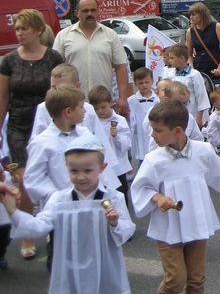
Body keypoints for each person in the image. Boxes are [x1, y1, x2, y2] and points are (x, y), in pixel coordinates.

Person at [131, 100, 220, 294]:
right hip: (169, 228)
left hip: (196, 223)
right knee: (175, 280)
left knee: (196, 280)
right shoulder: (154, 160)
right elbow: (141, 188)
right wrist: (157, 198)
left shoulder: (202, 151)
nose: (152, 135)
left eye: (157, 130)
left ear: (178, 131)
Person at [2, 135, 134, 294]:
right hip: (69, 266)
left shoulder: (112, 198)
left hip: (104, 265)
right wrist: (13, 212)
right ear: (66, 167)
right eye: (74, 170)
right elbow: (40, 226)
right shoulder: (59, 199)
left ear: (102, 167)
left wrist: (115, 223)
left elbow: (126, 231)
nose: (80, 176)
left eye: (87, 171)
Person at [23, 84, 120, 271]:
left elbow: (99, 163)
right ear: (68, 111)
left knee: (93, 258)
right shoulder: (43, 142)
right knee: (62, 262)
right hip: (61, 213)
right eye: (81, 107)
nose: (85, 111)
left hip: (90, 207)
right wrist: (57, 196)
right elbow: (33, 179)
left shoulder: (84, 134)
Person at [0, 9, 63, 259]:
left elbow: (63, 89)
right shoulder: (8, 61)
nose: (19, 33)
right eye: (17, 29)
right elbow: (3, 98)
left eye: (24, 28)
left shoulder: (54, 58)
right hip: (19, 126)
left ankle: (51, 224)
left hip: (49, 125)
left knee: (54, 177)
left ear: (38, 30)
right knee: (23, 179)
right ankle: (27, 234)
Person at [53, 0, 129, 115]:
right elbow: (56, 71)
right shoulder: (63, 36)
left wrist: (123, 98)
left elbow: (121, 68)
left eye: (93, 10)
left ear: (98, 11)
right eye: (85, 10)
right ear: (77, 13)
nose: (90, 13)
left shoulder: (111, 35)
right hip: (72, 103)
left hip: (103, 104)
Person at [88, 85, 132, 205]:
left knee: (121, 193)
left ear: (110, 103)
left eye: (103, 107)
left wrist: (116, 137)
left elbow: (127, 144)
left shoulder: (119, 120)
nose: (100, 111)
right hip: (101, 165)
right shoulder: (92, 122)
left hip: (118, 166)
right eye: (96, 108)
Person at [185, 2, 220, 89]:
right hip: (199, 70)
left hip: (215, 69)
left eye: (194, 14)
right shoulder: (190, 31)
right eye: (190, 15)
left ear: (202, 15)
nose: (191, 17)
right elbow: (188, 54)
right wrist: (191, 68)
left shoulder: (216, 26)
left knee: (217, 100)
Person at [167, 43, 210, 126]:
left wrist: (199, 115)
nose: (169, 61)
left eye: (172, 58)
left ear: (182, 58)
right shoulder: (170, 74)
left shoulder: (194, 74)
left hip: (192, 112)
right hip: (176, 112)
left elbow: (201, 95)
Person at [127, 67, 159, 165]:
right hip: (139, 134)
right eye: (140, 83)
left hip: (153, 132)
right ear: (135, 84)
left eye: (147, 82)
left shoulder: (157, 100)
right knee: (141, 159)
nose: (144, 85)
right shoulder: (131, 100)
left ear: (152, 81)